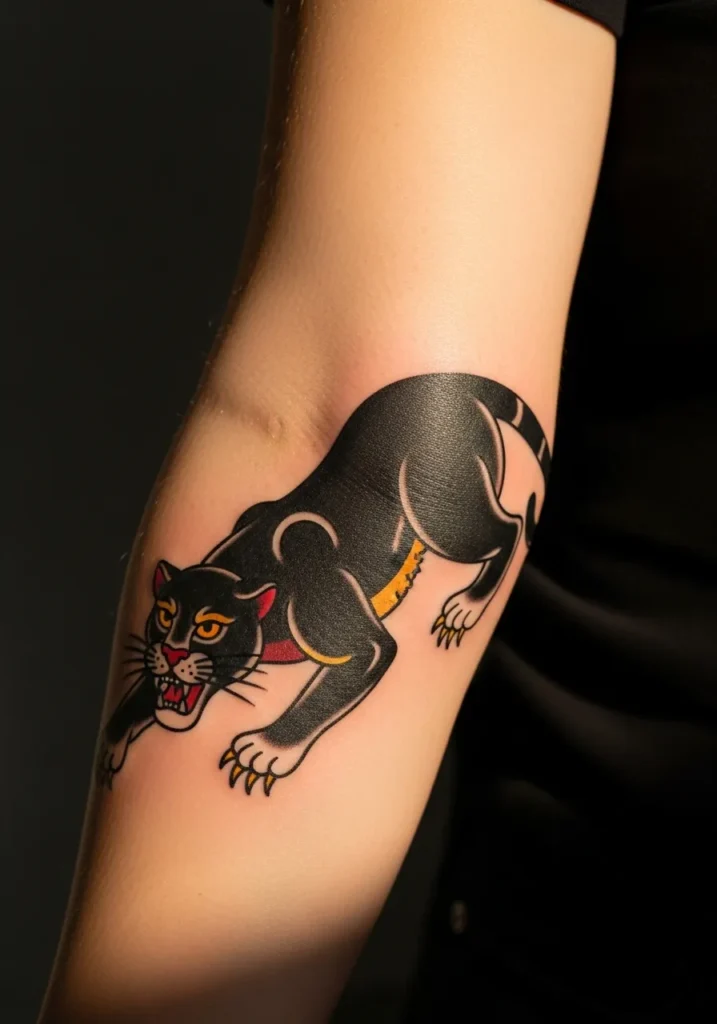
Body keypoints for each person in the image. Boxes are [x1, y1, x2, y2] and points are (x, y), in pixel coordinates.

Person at [39, 0, 716, 1021]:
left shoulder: (304, 606)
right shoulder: (224, 607)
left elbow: (364, 643)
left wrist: (286, 738)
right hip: (586, 936)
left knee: (454, 519)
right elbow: (330, 392)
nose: (176, 658)